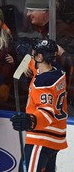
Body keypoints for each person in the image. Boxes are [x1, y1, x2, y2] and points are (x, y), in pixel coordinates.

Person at [10, 38, 68, 172]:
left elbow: (46, 113)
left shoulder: (43, 82)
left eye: (34, 53)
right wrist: (27, 60)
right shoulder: (58, 71)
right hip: (55, 139)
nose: (32, 55)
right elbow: (37, 67)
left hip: (41, 139)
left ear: (40, 57)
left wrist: (30, 120)